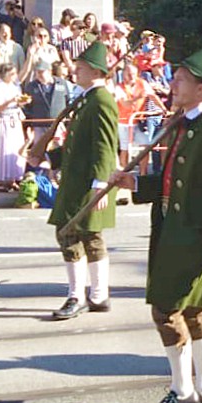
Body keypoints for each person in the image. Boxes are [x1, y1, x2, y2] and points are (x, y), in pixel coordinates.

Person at [110, 46, 202, 403]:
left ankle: (183, 392)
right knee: (193, 311)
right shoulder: (184, 123)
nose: (174, 83)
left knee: (165, 310)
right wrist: (134, 181)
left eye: (182, 79)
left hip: (196, 237)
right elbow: (175, 182)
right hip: (174, 231)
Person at [30, 43, 119, 321]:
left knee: (75, 234)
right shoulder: (87, 99)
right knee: (79, 234)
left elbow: (104, 146)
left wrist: (100, 182)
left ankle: (80, 295)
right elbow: (78, 145)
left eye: (79, 67)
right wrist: (50, 159)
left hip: (89, 182)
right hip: (79, 179)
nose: (74, 70)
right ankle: (95, 295)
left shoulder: (101, 101)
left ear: (95, 71)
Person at [0, 65, 29, 190]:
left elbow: (18, 103)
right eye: (11, 74)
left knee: (16, 148)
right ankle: (1, 179)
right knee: (2, 147)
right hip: (3, 119)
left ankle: (14, 177)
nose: (14, 76)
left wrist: (22, 102)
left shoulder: (15, 87)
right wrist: (11, 100)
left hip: (15, 119)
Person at [22, 61, 73, 147]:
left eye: (41, 72)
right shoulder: (31, 86)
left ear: (49, 71)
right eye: (37, 72)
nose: (39, 75)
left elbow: (68, 101)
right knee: (39, 150)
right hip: (39, 126)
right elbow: (26, 107)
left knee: (59, 149)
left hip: (58, 125)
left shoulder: (62, 83)